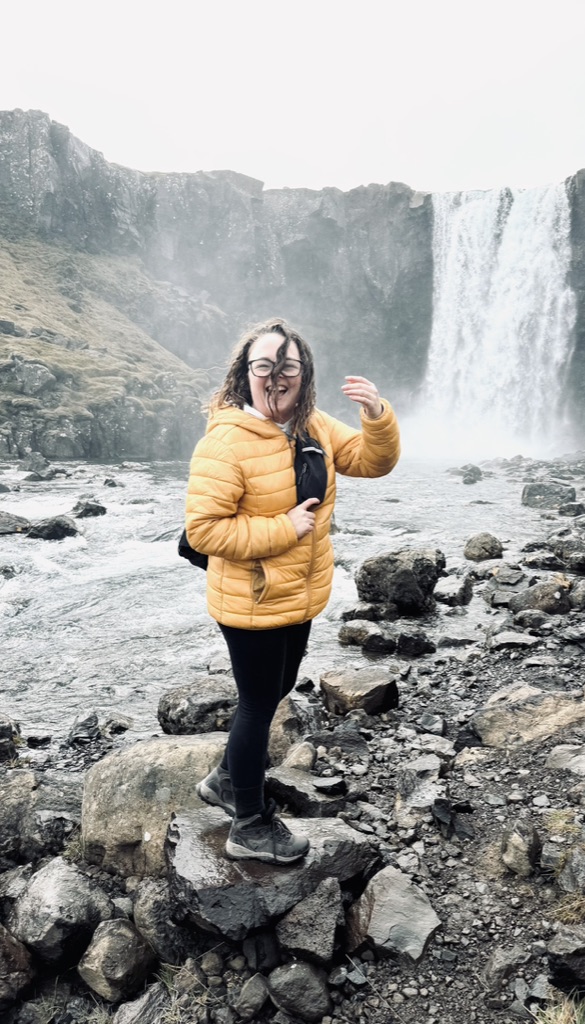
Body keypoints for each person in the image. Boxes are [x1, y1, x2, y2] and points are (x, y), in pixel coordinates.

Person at [185, 317, 400, 864]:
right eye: (264, 365)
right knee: (258, 705)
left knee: (276, 689)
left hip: (299, 594)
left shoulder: (315, 427)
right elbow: (203, 531)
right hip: (250, 600)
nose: (276, 376)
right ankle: (249, 826)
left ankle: (228, 780)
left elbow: (372, 462)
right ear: (245, 373)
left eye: (288, 367)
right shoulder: (225, 442)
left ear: (304, 376)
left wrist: (377, 416)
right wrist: (285, 528)